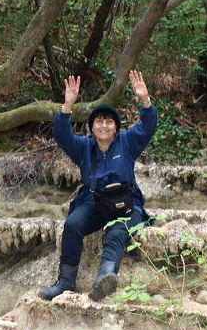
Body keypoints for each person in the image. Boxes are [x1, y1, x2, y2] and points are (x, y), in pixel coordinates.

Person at [39, 70, 158, 302]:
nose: (104, 125)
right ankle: (65, 283)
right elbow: (62, 135)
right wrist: (67, 106)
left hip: (126, 203)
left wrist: (145, 100)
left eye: (109, 121)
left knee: (116, 231)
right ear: (92, 128)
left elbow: (148, 126)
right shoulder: (83, 147)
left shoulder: (127, 142)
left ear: (115, 127)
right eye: (99, 121)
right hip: (93, 202)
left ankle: (105, 278)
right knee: (72, 224)